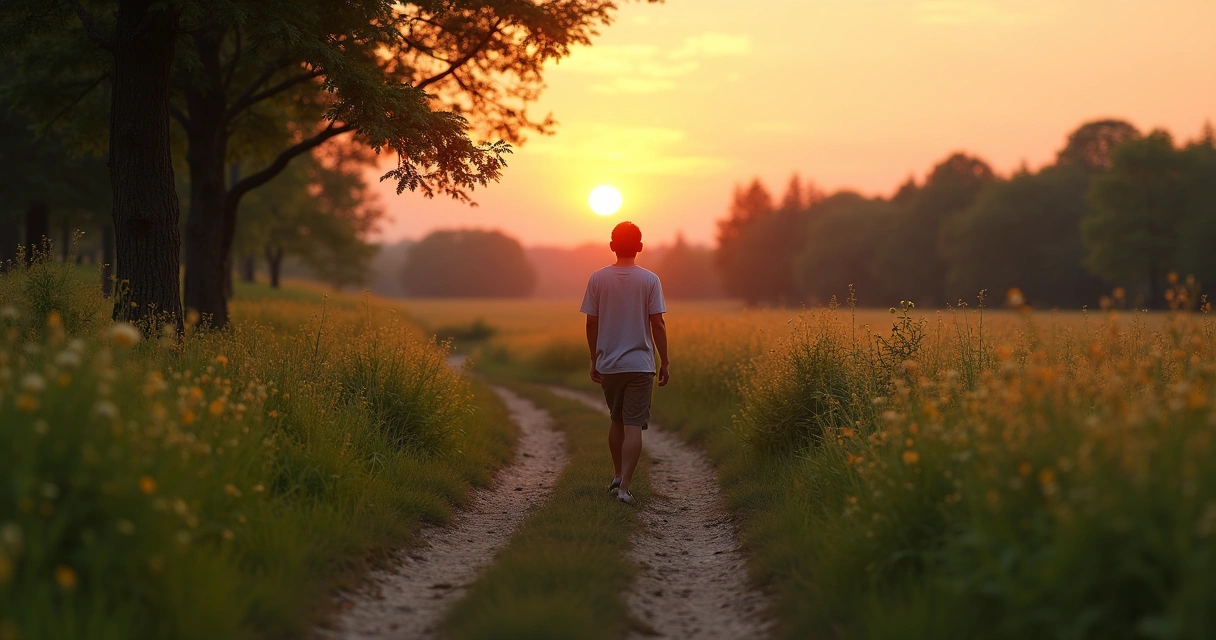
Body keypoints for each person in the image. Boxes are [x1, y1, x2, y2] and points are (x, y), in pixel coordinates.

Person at [580, 221, 669, 506]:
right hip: (640, 365)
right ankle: (625, 488)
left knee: (616, 420)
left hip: (609, 364)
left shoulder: (597, 278)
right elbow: (658, 323)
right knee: (633, 426)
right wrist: (665, 361)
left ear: (611, 246)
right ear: (640, 247)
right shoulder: (650, 280)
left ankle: (618, 475)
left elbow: (591, 323)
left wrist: (594, 359)